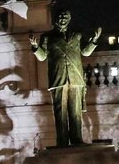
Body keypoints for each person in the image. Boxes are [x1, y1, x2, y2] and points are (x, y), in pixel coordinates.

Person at [29, 9, 101, 146]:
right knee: (60, 112)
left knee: (75, 112)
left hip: (75, 77)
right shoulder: (47, 36)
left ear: (70, 18)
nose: (62, 18)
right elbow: (42, 56)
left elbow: (85, 52)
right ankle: (62, 142)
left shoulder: (77, 34)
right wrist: (35, 47)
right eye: (60, 16)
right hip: (58, 78)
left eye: (65, 16)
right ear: (56, 18)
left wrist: (94, 40)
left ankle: (77, 139)